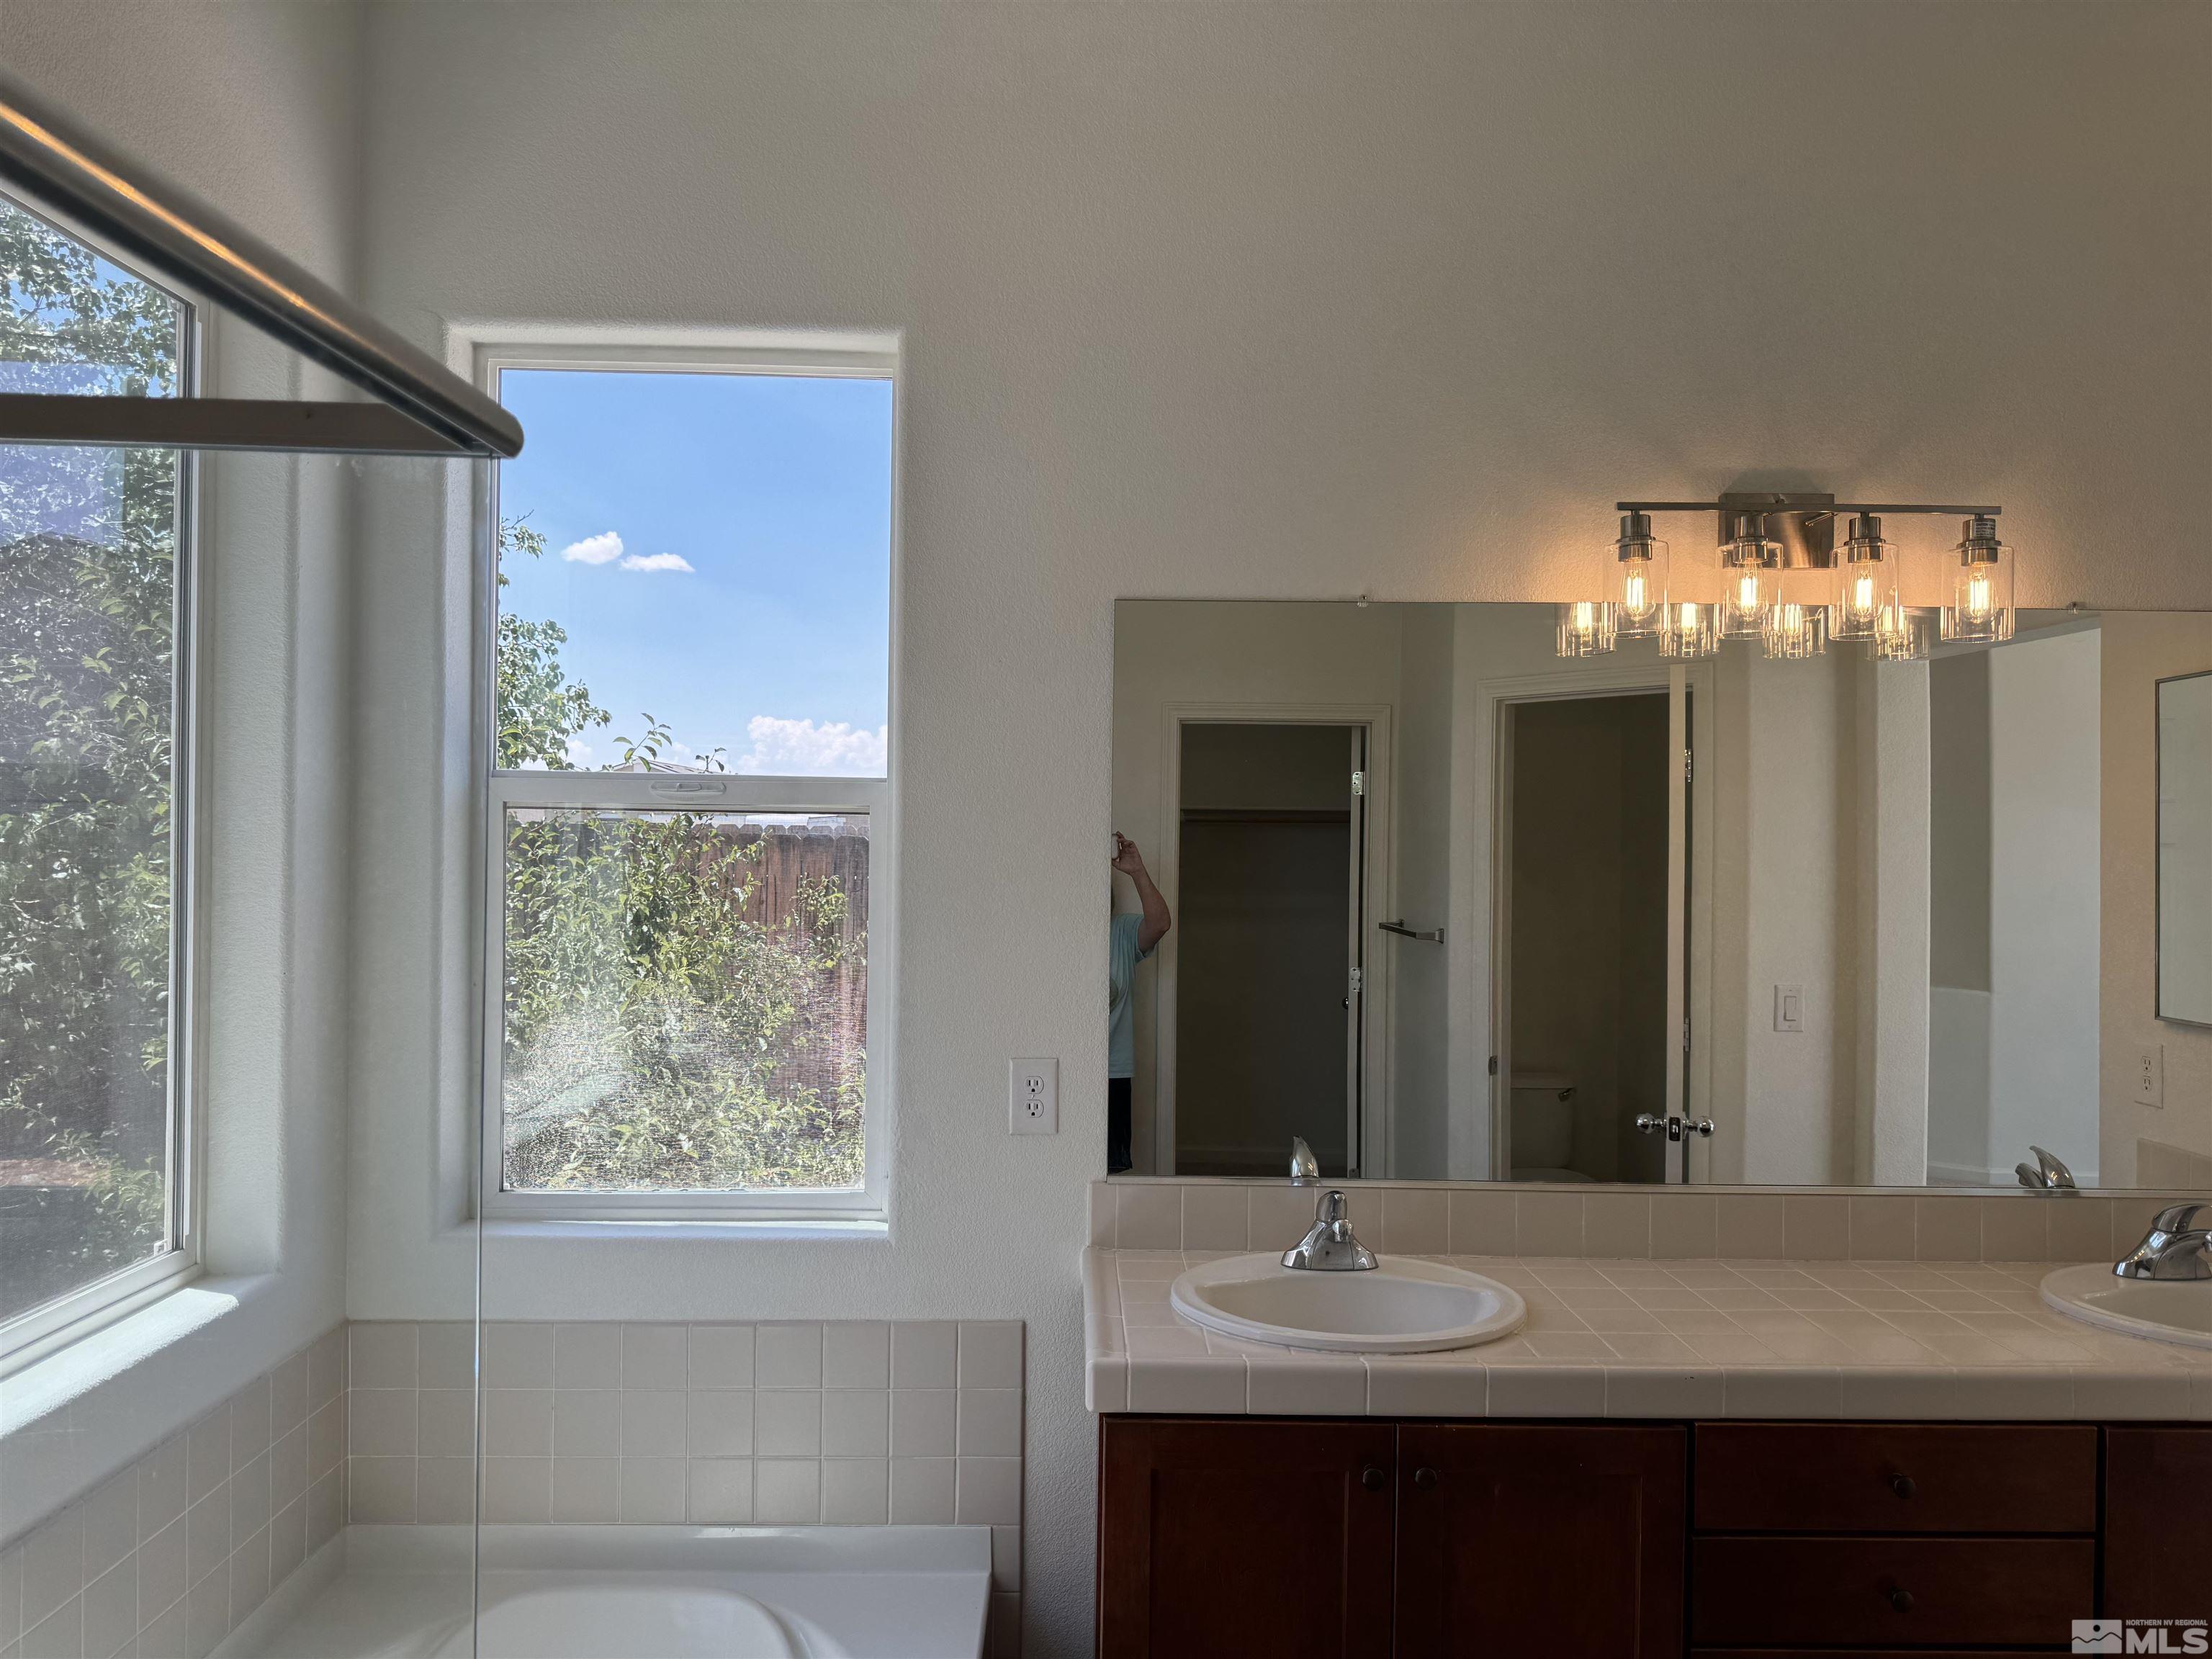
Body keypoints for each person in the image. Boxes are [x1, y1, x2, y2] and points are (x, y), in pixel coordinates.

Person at [1108, 832, 1172, 1173]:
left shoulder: (1120, 932)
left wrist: (1137, 871)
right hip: (1064, 1070)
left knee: (1110, 1175)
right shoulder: (1056, 933)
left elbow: (1161, 923)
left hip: (1112, 1074)